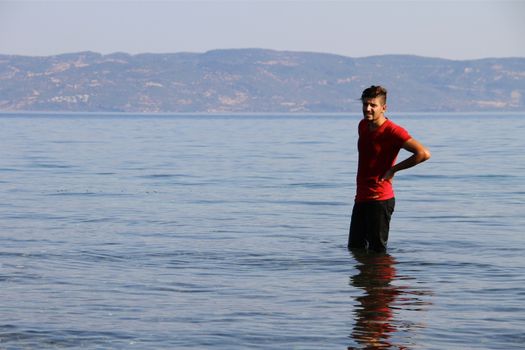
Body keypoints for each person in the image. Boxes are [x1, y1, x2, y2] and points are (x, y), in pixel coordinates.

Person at [348, 86, 431, 252]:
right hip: (361, 197)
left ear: (384, 108)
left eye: (373, 105)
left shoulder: (393, 131)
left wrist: (393, 170)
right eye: (365, 104)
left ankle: (381, 278)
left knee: (377, 252)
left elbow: (423, 153)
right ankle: (364, 279)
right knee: (355, 249)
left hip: (380, 199)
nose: (367, 109)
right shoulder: (363, 126)